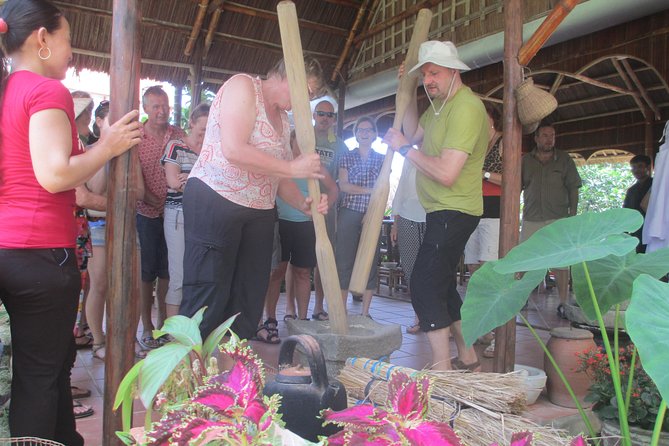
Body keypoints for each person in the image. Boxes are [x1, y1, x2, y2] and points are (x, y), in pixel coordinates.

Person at [0, 0, 141, 442]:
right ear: (42, 39)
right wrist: (109, 145)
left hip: (12, 249)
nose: (72, 52)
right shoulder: (46, 91)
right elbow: (54, 173)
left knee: (52, 366)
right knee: (40, 377)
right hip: (39, 254)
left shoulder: (7, 91)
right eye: (67, 40)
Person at [179, 57, 328, 341]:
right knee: (207, 296)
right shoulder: (244, 87)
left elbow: (280, 178)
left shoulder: (284, 121)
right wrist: (292, 167)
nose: (305, 102)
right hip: (216, 199)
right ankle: (192, 379)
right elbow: (234, 149)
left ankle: (233, 378)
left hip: (259, 212)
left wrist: (304, 204)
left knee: (247, 299)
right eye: (306, 93)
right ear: (288, 76)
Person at [383, 40, 488, 371]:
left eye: (435, 73)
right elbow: (413, 131)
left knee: (424, 283)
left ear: (454, 71)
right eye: (425, 74)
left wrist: (402, 149)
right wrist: (410, 87)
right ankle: (467, 356)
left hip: (455, 208)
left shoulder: (466, 107)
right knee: (440, 283)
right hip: (440, 209)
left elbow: (445, 172)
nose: (430, 80)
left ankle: (442, 370)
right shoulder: (440, 106)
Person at [258, 135, 338, 343]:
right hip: (279, 221)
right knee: (277, 273)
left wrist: (326, 205)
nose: (303, 144)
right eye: (300, 140)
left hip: (306, 223)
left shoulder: (315, 165)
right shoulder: (283, 161)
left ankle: (302, 321)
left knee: (303, 273)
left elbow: (333, 188)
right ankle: (271, 320)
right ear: (291, 140)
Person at [136, 85, 185, 350]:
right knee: (147, 273)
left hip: (174, 213)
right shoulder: (137, 136)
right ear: (145, 109)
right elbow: (130, 172)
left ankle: (165, 324)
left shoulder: (178, 134)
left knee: (168, 271)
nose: (162, 110)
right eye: (155, 106)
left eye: (165, 105)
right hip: (146, 213)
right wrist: (144, 195)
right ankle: (146, 327)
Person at [521, 123, 582, 319]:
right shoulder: (525, 161)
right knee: (525, 258)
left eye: (552, 136)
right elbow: (516, 187)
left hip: (558, 218)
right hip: (531, 217)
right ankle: (521, 298)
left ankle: (563, 302)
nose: (549, 139)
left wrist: (572, 215)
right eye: (545, 135)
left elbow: (573, 187)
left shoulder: (564, 160)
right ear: (536, 138)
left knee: (562, 262)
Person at [462, 102, 504, 357]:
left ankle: (498, 335)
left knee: (490, 274)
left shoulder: (503, 143)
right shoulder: (479, 146)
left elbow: (512, 178)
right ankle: (484, 328)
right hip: (473, 211)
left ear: (493, 120)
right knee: (473, 271)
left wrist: (484, 174)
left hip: (495, 213)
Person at [161, 103, 209, 318]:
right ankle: (174, 338)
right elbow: (172, 181)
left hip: (205, 217)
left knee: (200, 276)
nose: (206, 134)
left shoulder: (212, 150)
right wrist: (202, 183)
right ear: (191, 123)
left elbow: (218, 184)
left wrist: (190, 180)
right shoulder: (175, 146)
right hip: (178, 214)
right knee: (179, 277)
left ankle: (192, 336)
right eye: (203, 129)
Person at [335, 116, 384, 318]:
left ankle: (365, 312)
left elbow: (384, 188)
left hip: (373, 212)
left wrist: (371, 194)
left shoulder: (382, 158)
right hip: (350, 210)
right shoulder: (347, 156)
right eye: (360, 130)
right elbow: (344, 186)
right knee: (344, 260)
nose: (364, 133)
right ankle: (341, 309)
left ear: (374, 134)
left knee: (371, 260)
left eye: (368, 130)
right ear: (355, 134)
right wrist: (370, 190)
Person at [312, 99, 347, 320]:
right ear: (314, 115)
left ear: (334, 119)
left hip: (326, 205)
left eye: (329, 115)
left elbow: (342, 178)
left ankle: (318, 307)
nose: (325, 118)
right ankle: (289, 311)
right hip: (298, 202)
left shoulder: (339, 145)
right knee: (294, 259)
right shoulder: (301, 136)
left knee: (323, 257)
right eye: (321, 113)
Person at [390, 160, 425, 335]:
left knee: (436, 271)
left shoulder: (439, 154)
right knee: (411, 270)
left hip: (433, 218)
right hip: (407, 218)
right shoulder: (410, 159)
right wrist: (395, 224)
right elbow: (401, 190)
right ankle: (419, 317)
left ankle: (439, 319)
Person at [623, 154, 652, 253]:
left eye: (640, 166)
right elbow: (626, 212)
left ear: (648, 167)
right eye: (633, 167)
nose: (636, 170)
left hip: (653, 227)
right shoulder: (631, 190)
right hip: (637, 230)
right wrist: (624, 232)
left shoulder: (656, 185)